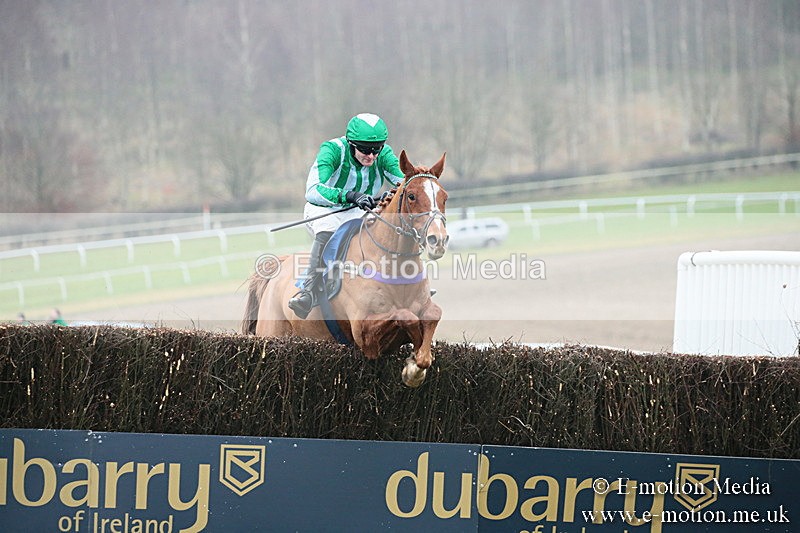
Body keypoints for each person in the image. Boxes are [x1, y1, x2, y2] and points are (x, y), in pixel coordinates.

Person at [288, 113, 405, 319]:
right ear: (351, 144)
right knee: (328, 231)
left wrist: (393, 195)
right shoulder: (332, 150)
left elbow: (405, 182)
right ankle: (308, 291)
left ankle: (406, 285)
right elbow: (313, 190)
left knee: (390, 230)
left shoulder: (384, 154)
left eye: (376, 150)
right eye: (365, 150)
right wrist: (349, 195)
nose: (371, 156)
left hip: (359, 210)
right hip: (324, 208)